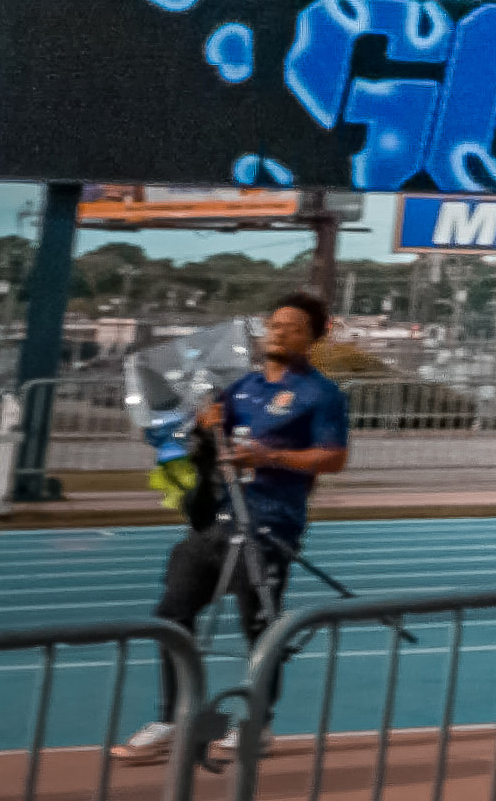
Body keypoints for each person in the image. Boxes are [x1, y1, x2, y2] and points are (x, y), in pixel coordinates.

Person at [113, 294, 349, 766]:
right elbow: (204, 442)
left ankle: (258, 725)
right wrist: (203, 426)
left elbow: (334, 458)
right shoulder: (240, 388)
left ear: (314, 337)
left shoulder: (320, 394)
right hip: (218, 522)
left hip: (269, 525)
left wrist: (269, 456)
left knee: (258, 627)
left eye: (293, 328)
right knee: (171, 614)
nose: (279, 333)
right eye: (274, 325)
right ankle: (173, 717)